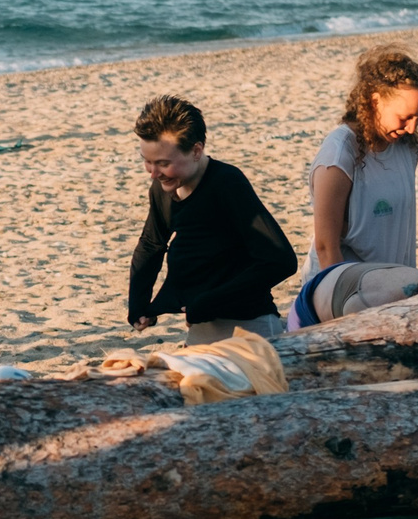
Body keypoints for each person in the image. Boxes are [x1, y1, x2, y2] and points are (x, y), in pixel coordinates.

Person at [127, 95, 300, 342]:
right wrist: (139, 303)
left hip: (250, 324)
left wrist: (210, 301)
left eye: (163, 163)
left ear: (196, 151)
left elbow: (280, 260)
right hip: (202, 323)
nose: (154, 173)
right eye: (147, 161)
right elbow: (151, 244)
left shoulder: (227, 183)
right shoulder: (162, 188)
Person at [300, 46, 418, 322]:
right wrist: (344, 323)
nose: (412, 128)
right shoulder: (339, 156)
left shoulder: (406, 147)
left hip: (392, 294)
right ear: (374, 101)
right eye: (405, 117)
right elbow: (326, 246)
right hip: (342, 302)